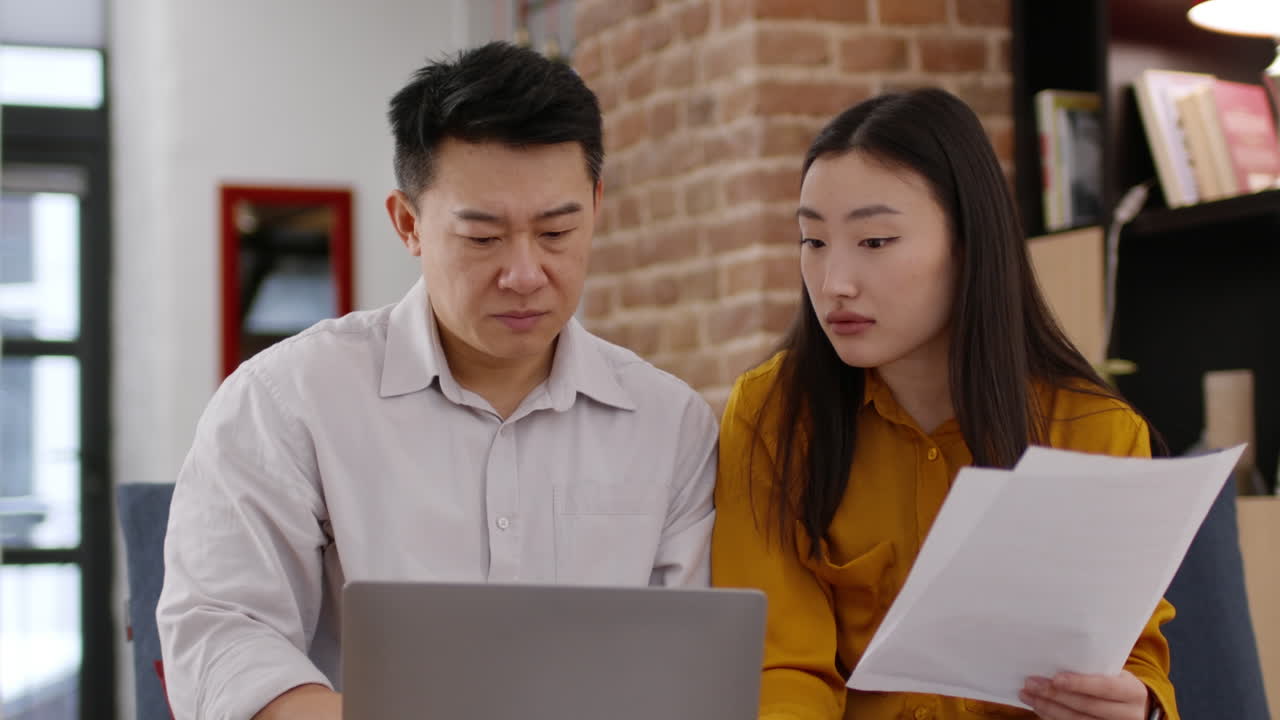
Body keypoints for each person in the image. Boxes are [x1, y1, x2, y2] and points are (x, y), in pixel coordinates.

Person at [157, 41, 718, 720]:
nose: (524, 272)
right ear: (408, 223)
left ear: (595, 207)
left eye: (557, 231)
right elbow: (222, 630)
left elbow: (690, 665)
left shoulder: (670, 425)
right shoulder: (287, 402)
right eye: (483, 238)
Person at [711, 88, 1177, 720]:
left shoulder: (1095, 430)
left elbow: (1136, 659)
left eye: (874, 241)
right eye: (813, 241)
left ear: (968, 242)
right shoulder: (773, 415)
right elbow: (779, 667)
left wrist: (1133, 707)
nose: (834, 282)